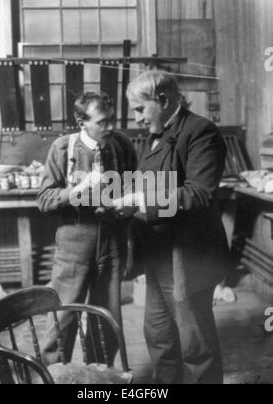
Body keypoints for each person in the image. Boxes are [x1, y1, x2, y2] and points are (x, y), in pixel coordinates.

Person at [112, 71, 230, 384]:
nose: (137, 118)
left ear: (163, 100)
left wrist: (139, 201)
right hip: (157, 255)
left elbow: (198, 193)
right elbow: (148, 185)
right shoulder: (156, 136)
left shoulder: (200, 131)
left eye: (140, 109)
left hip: (187, 257)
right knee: (160, 338)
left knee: (196, 345)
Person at [37, 91, 137, 366]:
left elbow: (134, 186)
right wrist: (76, 190)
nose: (110, 127)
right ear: (82, 121)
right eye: (102, 122)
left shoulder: (123, 145)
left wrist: (125, 204)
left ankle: (99, 376)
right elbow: (44, 199)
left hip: (113, 240)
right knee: (63, 315)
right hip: (75, 240)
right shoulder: (62, 148)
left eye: (112, 120)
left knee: (107, 317)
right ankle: (52, 375)